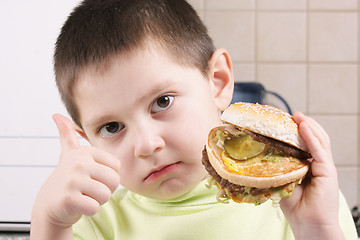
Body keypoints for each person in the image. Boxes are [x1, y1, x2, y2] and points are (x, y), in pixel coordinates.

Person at [30, 0, 357, 239]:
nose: (146, 145)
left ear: (217, 81)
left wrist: (317, 230)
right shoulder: (91, 221)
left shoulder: (298, 200)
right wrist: (49, 224)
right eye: (111, 127)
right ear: (86, 141)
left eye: (162, 102)